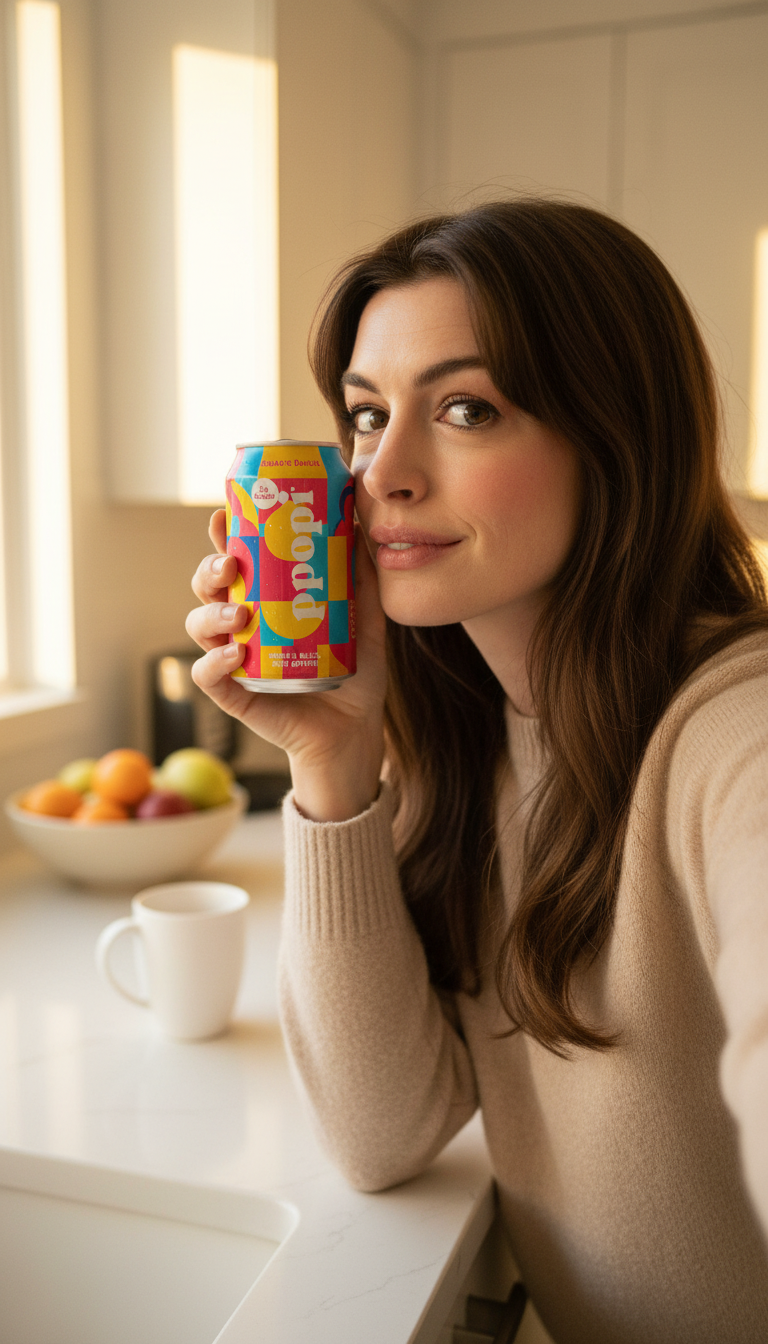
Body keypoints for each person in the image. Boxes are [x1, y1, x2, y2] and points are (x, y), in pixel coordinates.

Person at [186, 199, 768, 1344]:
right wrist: (335, 761)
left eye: (465, 408)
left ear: (617, 436)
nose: (381, 472)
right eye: (365, 415)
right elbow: (381, 1131)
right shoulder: (474, 737)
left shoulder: (731, 733)